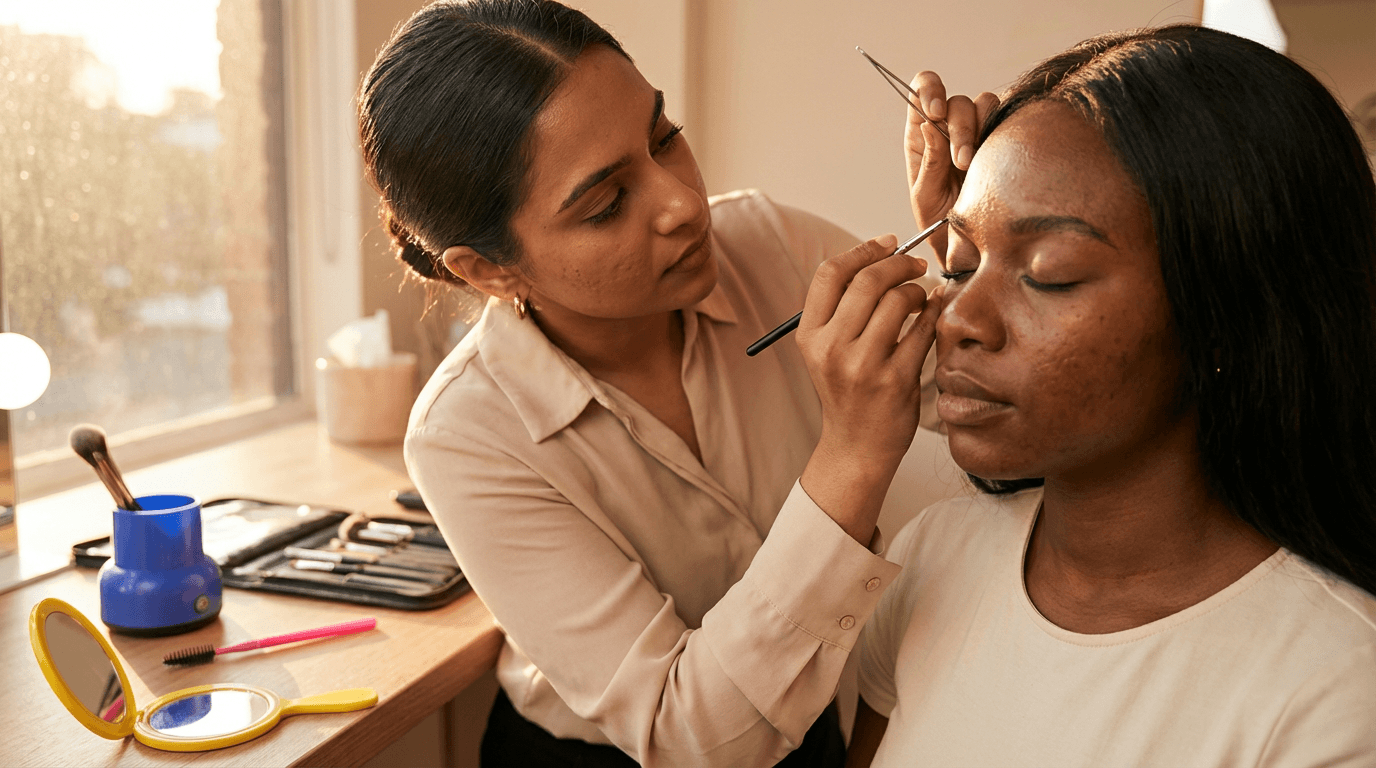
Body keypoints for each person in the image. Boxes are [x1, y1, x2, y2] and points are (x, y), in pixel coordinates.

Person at [357, 1, 971, 765]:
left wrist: (971, 253)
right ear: (489, 269)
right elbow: (690, 737)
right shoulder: (467, 434)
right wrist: (853, 454)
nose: (683, 204)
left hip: (806, 728)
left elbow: (990, 412)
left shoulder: (772, 246)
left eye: (664, 137)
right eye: (607, 204)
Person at [844, 25, 1376, 767]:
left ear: (1229, 315)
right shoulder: (935, 555)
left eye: (1049, 275)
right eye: (961, 266)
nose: (958, 318)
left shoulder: (1338, 686)